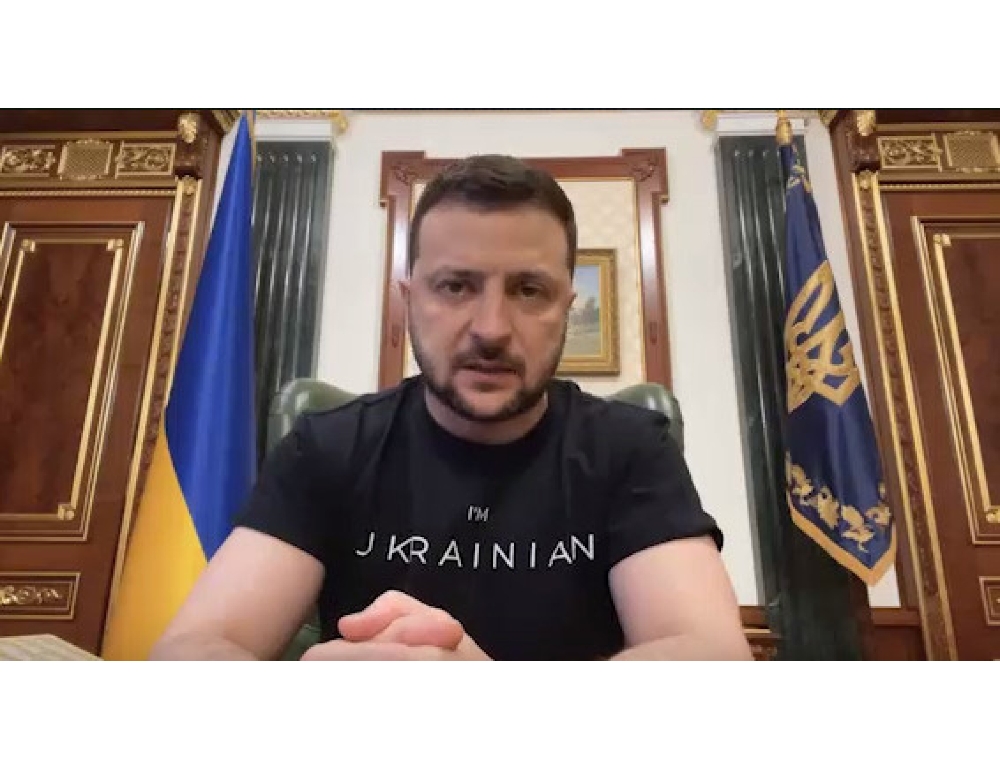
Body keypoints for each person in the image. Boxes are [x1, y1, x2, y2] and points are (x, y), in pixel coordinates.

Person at [150, 154, 752, 661]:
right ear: (409, 299)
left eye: (529, 290)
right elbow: (190, 650)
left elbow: (713, 656)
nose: (491, 328)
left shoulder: (630, 448)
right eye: (455, 286)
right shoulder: (324, 448)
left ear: (567, 306)